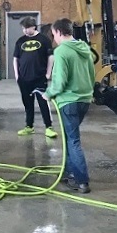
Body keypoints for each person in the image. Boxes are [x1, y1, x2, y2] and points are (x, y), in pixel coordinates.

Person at [43, 18, 95, 194]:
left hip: (68, 101)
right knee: (68, 137)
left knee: (73, 141)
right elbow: (91, 74)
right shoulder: (84, 48)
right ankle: (68, 174)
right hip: (84, 100)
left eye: (53, 34)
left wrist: (48, 94)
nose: (54, 38)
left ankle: (82, 182)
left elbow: (59, 81)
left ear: (58, 32)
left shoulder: (61, 51)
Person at [13, 16, 57, 138]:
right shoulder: (20, 41)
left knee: (43, 103)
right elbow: (15, 58)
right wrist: (17, 75)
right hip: (24, 79)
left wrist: (48, 73)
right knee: (28, 104)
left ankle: (49, 127)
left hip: (39, 78)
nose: (25, 31)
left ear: (33, 26)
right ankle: (29, 126)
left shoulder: (44, 40)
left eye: (27, 28)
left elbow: (50, 57)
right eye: (23, 28)